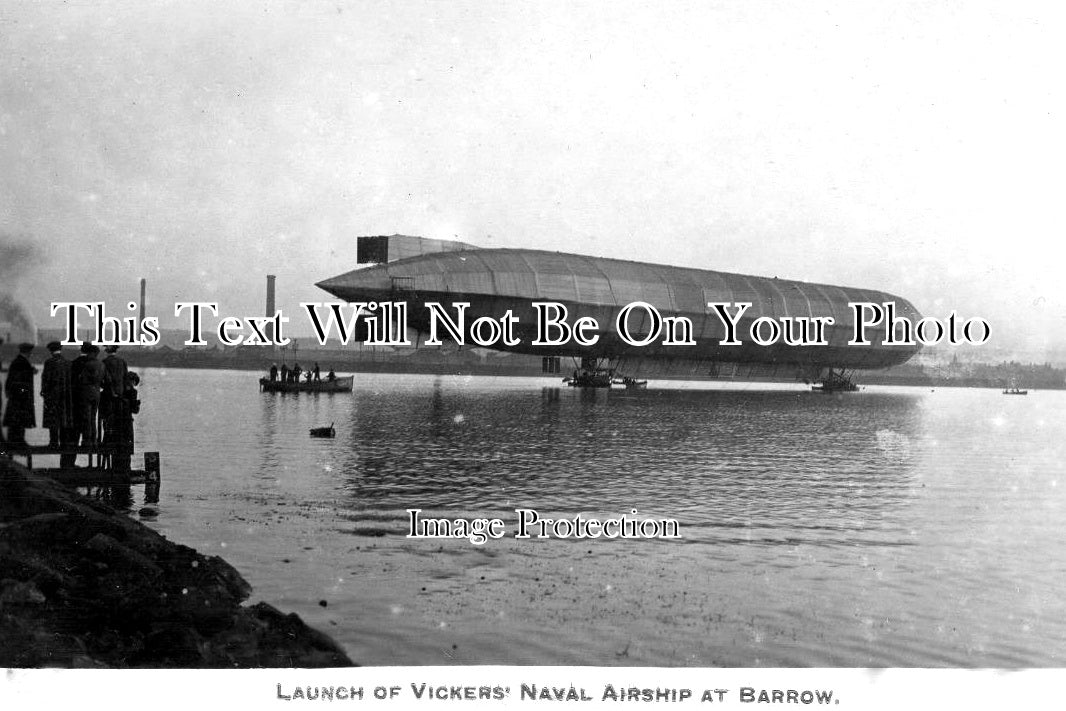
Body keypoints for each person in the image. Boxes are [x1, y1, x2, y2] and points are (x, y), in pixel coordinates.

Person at [41, 341, 75, 463]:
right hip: (66, 397)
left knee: (53, 419)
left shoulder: (49, 363)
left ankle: (53, 442)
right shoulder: (68, 363)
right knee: (64, 419)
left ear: (50, 350)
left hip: (53, 396)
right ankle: (64, 443)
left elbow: (46, 379)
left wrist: (44, 392)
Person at [74, 343, 105, 461]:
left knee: (87, 418)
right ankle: (94, 441)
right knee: (93, 417)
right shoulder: (102, 364)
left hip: (86, 393)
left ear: (91, 353)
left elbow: (82, 379)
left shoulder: (88, 364)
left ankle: (87, 441)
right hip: (97, 393)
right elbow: (105, 381)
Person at [3, 343, 37, 445]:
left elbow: (13, 379)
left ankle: (14, 440)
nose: (31, 353)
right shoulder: (23, 363)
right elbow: (21, 379)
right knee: (20, 419)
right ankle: (19, 441)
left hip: (15, 396)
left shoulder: (17, 362)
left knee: (15, 420)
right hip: (21, 397)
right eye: (30, 352)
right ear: (28, 352)